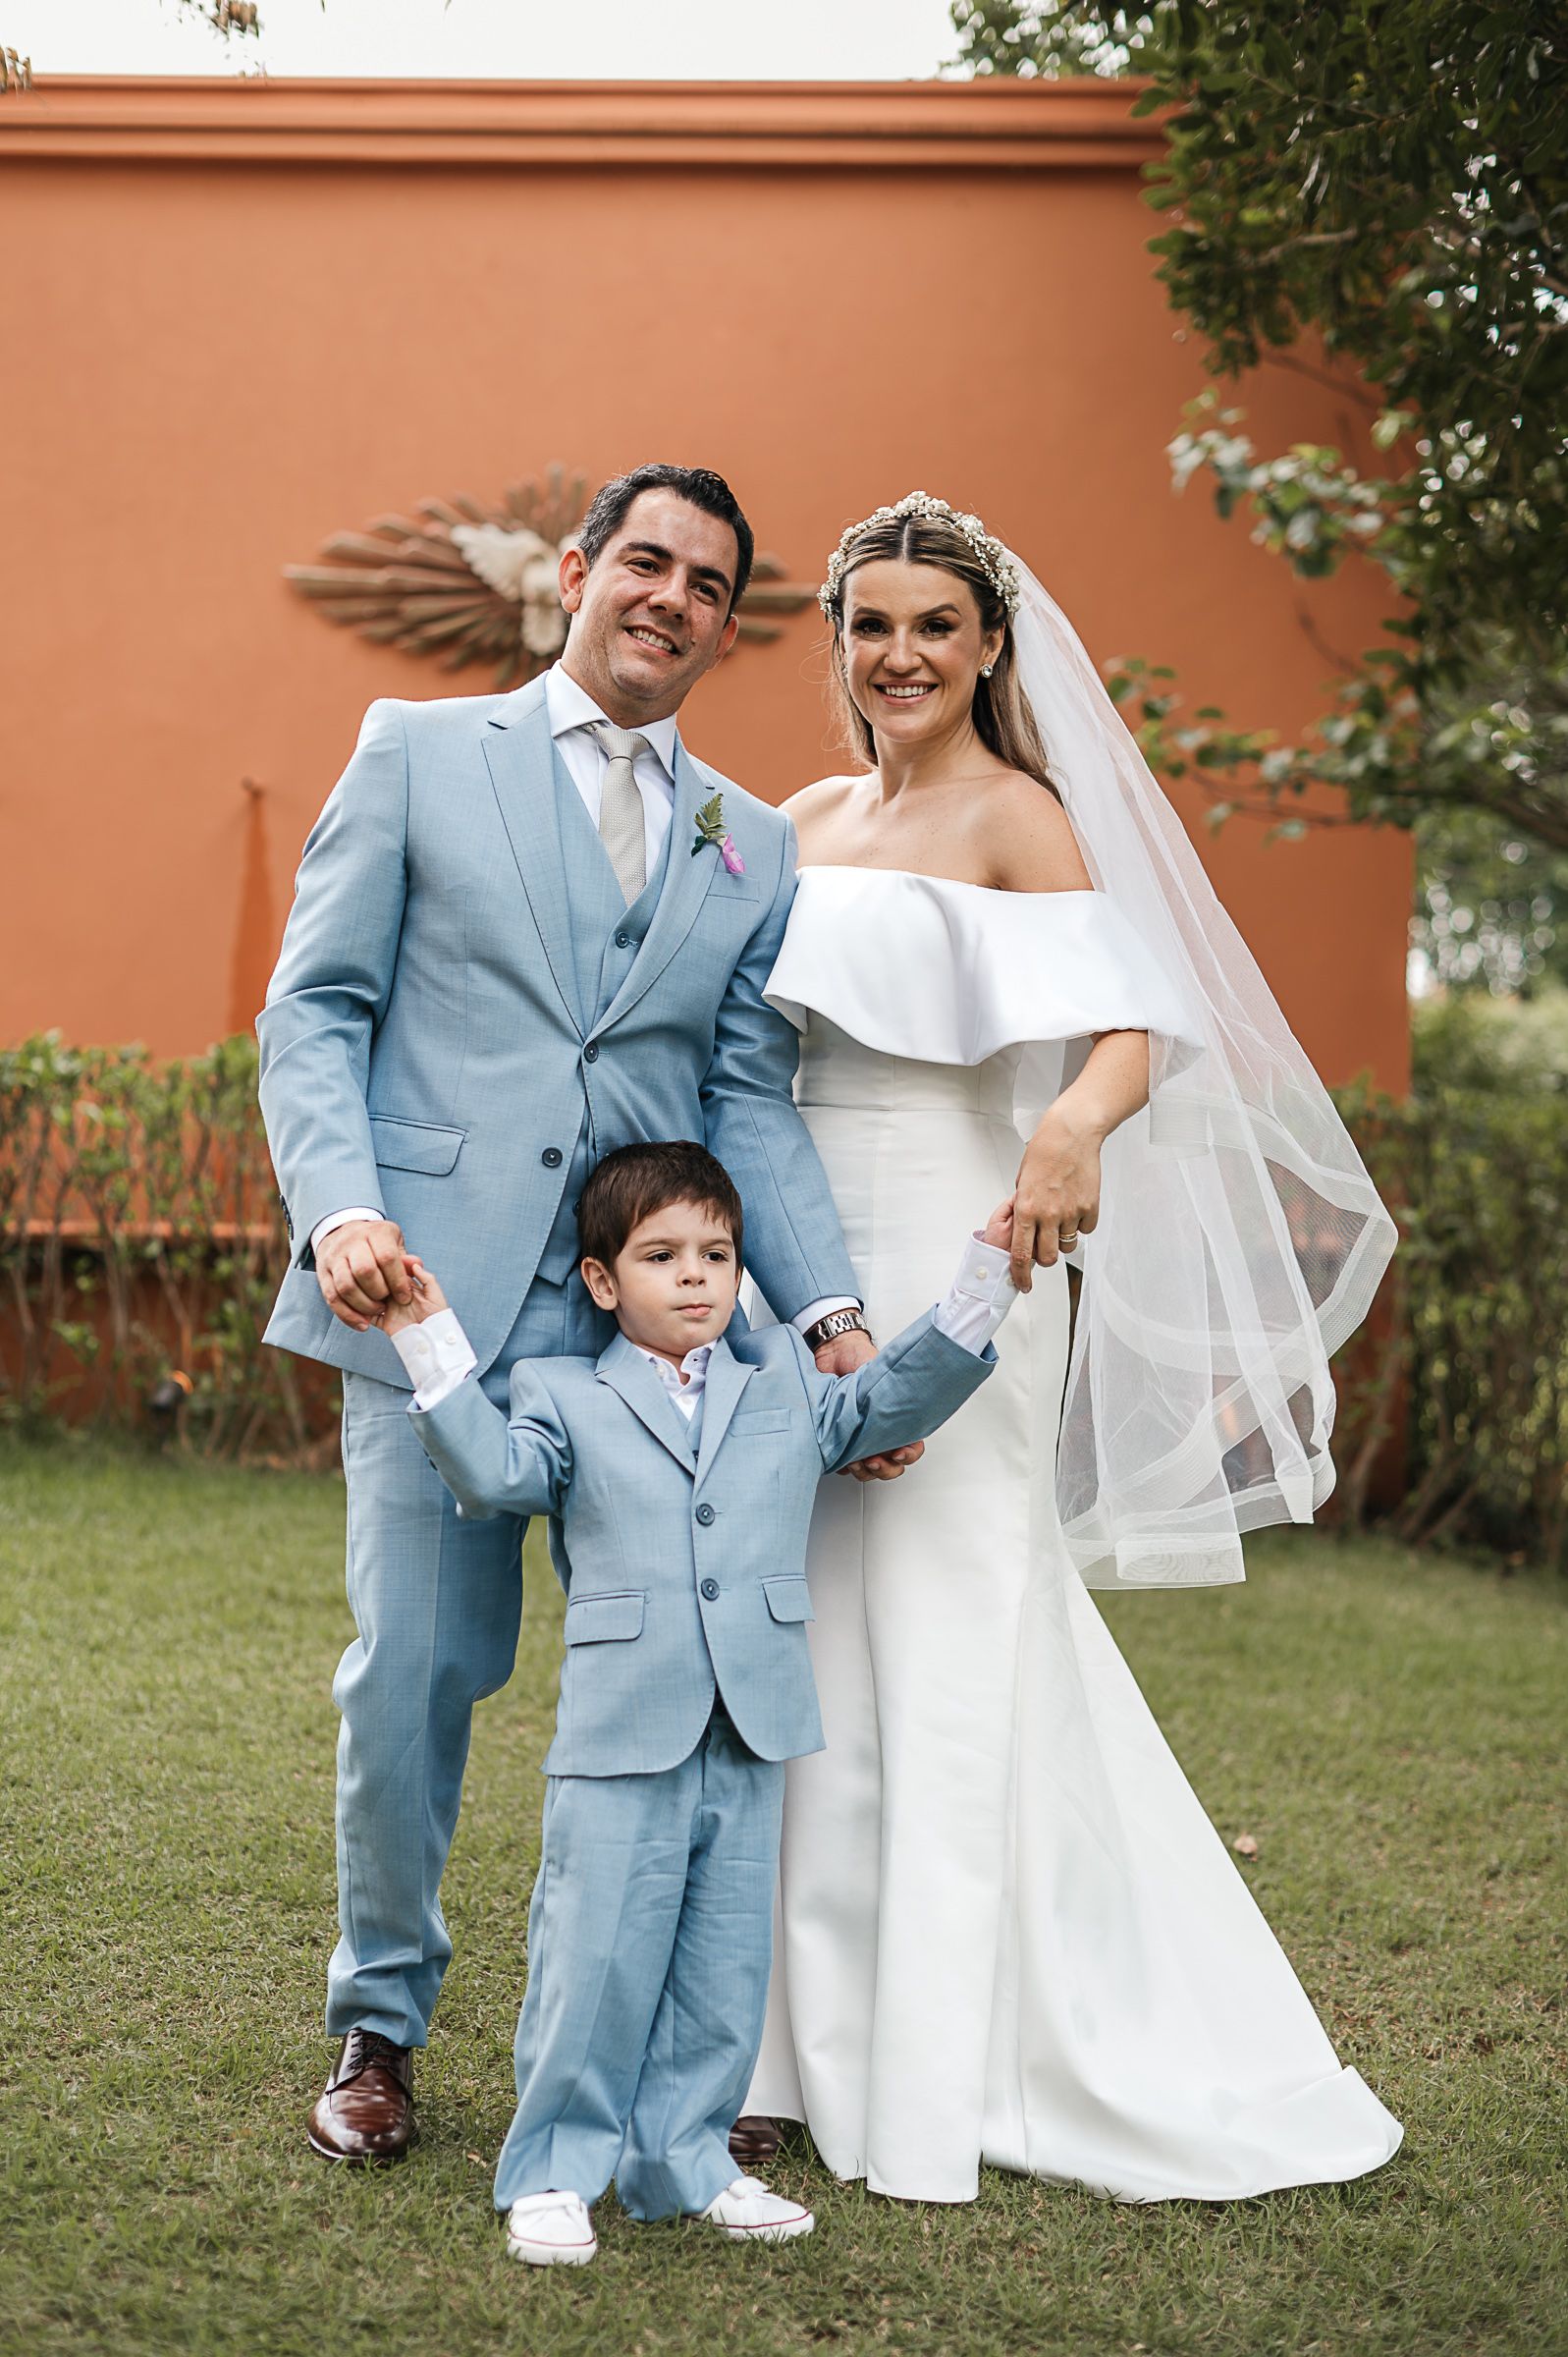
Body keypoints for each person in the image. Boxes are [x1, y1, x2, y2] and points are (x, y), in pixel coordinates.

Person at [737, 491, 1405, 2204]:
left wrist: (1069, 1134)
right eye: (870, 624)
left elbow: (1145, 1019)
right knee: (806, 1640)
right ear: (839, 640)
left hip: (967, 1226)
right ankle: (786, 2058)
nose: (898, 656)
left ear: (986, 649)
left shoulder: (1016, 815)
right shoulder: (800, 816)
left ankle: (938, 2063)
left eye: (932, 628)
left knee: (952, 1622)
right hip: (800, 1264)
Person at [257, 463, 888, 2167]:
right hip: (431, 1309)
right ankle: (378, 2023)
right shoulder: (413, 749)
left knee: (677, 1692)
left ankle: (668, 2059)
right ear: (577, 571)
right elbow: (314, 1008)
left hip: (645, 1348)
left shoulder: (745, 842)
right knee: (416, 1676)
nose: (669, 597)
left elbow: (744, 1100)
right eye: (646, 561)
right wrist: (342, 1210)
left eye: (706, 584)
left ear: (722, 626)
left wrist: (821, 1315)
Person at [378, 1139, 1012, 2261]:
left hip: (756, 1715)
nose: (696, 1276)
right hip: (625, 1724)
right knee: (594, 1954)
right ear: (602, 1281)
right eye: (662, 1254)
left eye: (716, 1253)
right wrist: (425, 1339)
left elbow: (885, 1398)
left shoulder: (780, 1385)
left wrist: (978, 1287)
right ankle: (555, 2169)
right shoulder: (562, 1392)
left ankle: (684, 2156)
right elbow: (493, 1475)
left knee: (724, 1962)